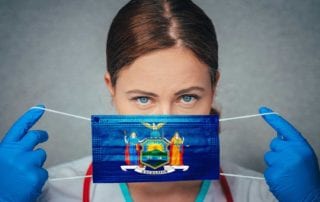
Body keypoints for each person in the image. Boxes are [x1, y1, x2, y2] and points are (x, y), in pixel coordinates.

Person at [0, 0, 319, 201]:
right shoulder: (51, 193)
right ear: (111, 88)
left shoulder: (262, 195)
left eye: (188, 97)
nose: (164, 123)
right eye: (142, 98)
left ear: (214, 88)